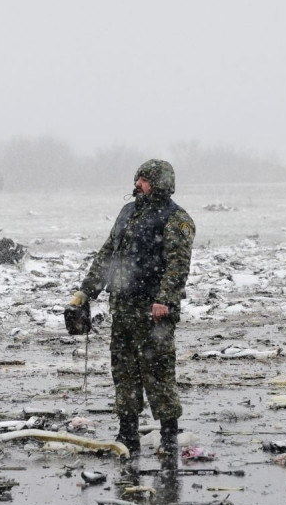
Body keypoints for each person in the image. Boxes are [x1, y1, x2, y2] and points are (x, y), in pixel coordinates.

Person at [69, 159, 195, 457]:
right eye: (137, 178)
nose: (137, 183)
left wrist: (164, 299)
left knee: (158, 372)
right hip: (123, 308)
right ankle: (127, 432)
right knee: (124, 372)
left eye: (144, 179)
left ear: (159, 182)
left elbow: (178, 265)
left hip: (154, 311)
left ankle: (168, 434)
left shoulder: (176, 219)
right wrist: (85, 292)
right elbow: (106, 254)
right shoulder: (128, 212)